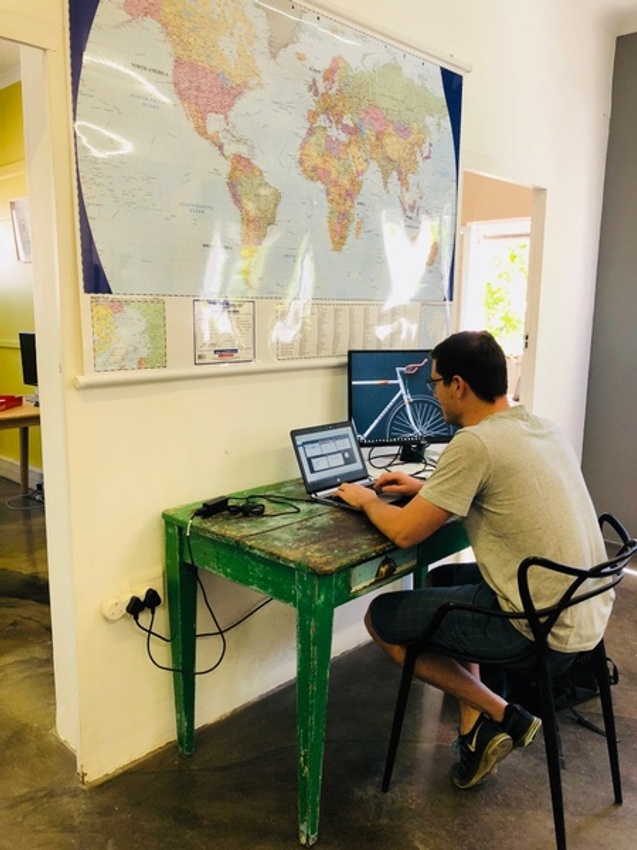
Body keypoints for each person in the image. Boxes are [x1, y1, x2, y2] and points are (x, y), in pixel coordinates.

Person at [334, 330, 612, 789]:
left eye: (435, 383)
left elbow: (404, 533)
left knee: (381, 618)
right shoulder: (541, 427)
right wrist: (427, 488)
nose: (434, 393)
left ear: (458, 385)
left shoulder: (474, 444)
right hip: (584, 611)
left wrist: (366, 499)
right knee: (442, 582)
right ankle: (474, 733)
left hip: (536, 628)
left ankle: (503, 714)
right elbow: (501, 489)